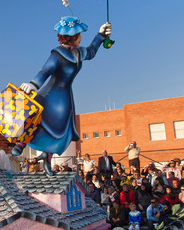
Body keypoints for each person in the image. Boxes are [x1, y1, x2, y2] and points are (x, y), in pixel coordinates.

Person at [11, 14, 112, 176]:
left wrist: (101, 35)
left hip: (64, 97)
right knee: (36, 117)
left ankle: (47, 157)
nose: (80, 38)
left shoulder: (79, 53)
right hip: (48, 92)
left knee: (59, 128)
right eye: (79, 35)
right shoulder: (57, 54)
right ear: (73, 37)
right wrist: (33, 84)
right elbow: (45, 70)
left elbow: (92, 51)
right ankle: (21, 143)